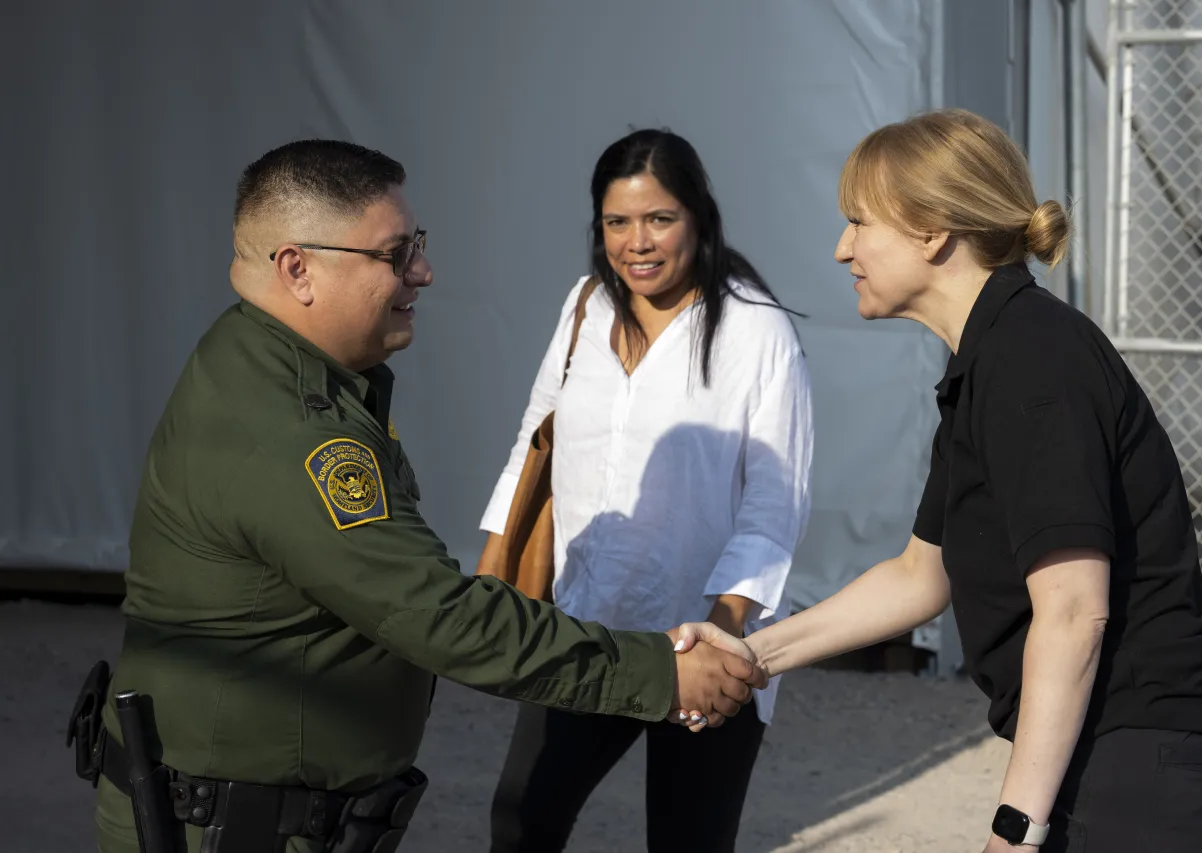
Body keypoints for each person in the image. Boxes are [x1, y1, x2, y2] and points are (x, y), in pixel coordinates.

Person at [79, 139, 765, 853]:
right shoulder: (292, 430)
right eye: (395, 253)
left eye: (419, 246)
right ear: (297, 268)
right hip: (235, 829)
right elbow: (436, 615)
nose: (424, 271)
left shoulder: (262, 361)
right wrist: (662, 673)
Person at [672, 108, 1202, 852]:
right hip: (1129, 765)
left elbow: (1073, 612)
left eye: (859, 222)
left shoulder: (1033, 361)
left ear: (933, 231)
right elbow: (918, 576)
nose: (842, 248)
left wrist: (1014, 830)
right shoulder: (989, 361)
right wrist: (751, 651)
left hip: (1158, 779)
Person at [476, 128, 813, 853]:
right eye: (618, 222)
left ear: (698, 216)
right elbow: (535, 437)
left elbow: (775, 501)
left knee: (688, 841)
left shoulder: (756, 329)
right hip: (584, 629)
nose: (639, 242)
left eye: (660, 218)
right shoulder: (586, 306)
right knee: (521, 820)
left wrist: (722, 629)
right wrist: (492, 566)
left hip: (698, 641)